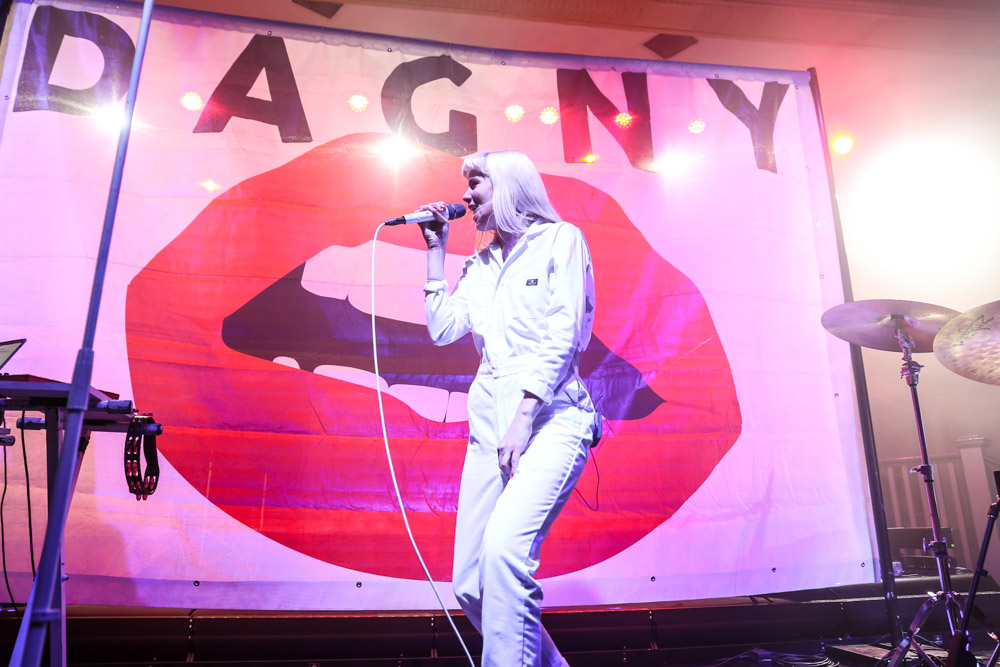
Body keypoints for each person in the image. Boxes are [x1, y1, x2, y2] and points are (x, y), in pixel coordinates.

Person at [416, 150, 597, 667]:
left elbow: (564, 335)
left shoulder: (560, 241)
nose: (466, 194)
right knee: (471, 583)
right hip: (490, 426)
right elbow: (443, 328)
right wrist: (436, 253)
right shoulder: (482, 261)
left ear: (512, 186)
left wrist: (522, 418)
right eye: (465, 184)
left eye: (477, 182)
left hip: (551, 419)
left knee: (504, 557)